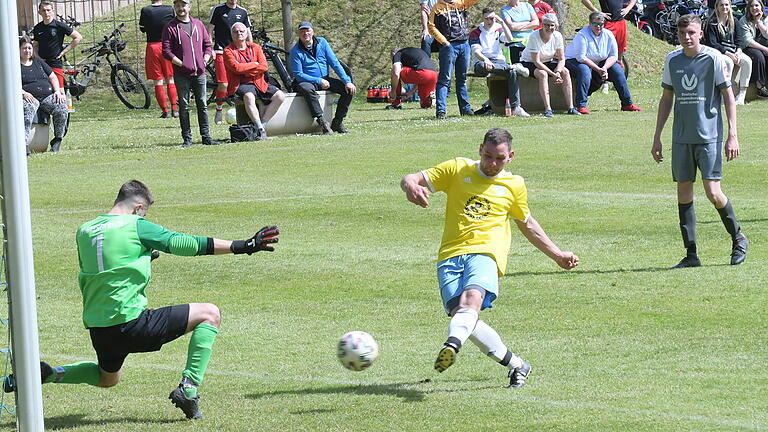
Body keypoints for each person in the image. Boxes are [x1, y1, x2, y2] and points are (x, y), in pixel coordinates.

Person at [32, 180, 279, 420]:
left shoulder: (84, 230)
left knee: (108, 379)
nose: (144, 219)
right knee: (210, 314)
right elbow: (183, 243)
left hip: (100, 328)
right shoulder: (135, 225)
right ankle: (189, 389)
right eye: (144, 213)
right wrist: (242, 245)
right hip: (131, 323)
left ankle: (52, 373)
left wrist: (141, 258)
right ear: (138, 207)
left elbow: (103, 269)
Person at [400, 128, 579, 387]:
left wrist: (557, 254)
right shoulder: (457, 169)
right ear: (479, 149)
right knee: (462, 315)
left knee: (470, 300)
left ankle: (452, 345)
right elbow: (412, 177)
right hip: (450, 254)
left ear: (511, 156)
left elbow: (526, 223)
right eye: (488, 156)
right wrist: (410, 186)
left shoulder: (514, 185)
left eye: (499, 158)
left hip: (487, 252)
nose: (492, 163)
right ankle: (518, 365)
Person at [652, 14, 748, 268]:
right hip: (682, 138)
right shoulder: (672, 60)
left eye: (691, 32)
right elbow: (666, 99)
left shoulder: (714, 58)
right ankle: (691, 254)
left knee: (713, 193)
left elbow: (728, 97)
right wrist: (657, 136)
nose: (687, 37)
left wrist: (732, 135)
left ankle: (738, 238)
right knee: (683, 195)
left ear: (701, 33)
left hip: (709, 137)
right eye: (683, 33)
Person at [162, 0, 220, 147]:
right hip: (181, 73)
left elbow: (207, 45)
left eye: (183, 5)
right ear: (175, 8)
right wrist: (181, 64)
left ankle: (206, 137)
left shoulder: (199, 24)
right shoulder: (170, 27)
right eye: (178, 6)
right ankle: (187, 139)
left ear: (189, 7)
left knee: (203, 104)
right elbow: (166, 51)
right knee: (184, 106)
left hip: (200, 72)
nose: (181, 8)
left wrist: (205, 60)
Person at [564, 12, 643, 114]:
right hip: (574, 60)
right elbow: (581, 57)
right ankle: (581, 106)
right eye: (595, 24)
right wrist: (598, 69)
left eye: (601, 24)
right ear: (590, 23)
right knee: (584, 71)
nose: (598, 27)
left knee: (618, 70)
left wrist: (605, 68)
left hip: (599, 62)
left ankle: (627, 104)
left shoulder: (608, 34)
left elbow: (613, 56)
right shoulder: (582, 35)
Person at [289, 21, 356, 134]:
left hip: (325, 79)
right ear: (298, 34)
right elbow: (298, 75)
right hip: (307, 81)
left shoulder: (322, 43)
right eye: (302, 31)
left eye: (307, 30)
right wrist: (318, 80)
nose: (305, 33)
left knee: (348, 90)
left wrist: (347, 81)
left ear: (313, 32)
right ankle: (321, 121)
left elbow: (334, 63)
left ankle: (337, 122)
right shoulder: (295, 51)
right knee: (306, 88)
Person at [223, 22, 286, 139]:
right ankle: (260, 128)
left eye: (242, 31)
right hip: (241, 84)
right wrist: (254, 64)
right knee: (249, 96)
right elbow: (236, 68)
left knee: (280, 96)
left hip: (259, 81)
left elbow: (264, 67)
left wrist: (245, 68)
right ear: (231, 34)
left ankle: (262, 125)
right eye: (236, 32)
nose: (239, 34)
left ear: (247, 33)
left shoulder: (255, 48)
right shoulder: (228, 51)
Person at [469, 8, 530, 118]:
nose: (489, 21)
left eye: (492, 18)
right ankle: (513, 67)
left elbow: (509, 38)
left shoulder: (499, 29)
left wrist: (502, 23)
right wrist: (486, 60)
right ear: (482, 18)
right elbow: (476, 51)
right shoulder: (476, 32)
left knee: (512, 73)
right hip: (481, 61)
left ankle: (516, 107)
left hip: (498, 61)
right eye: (486, 18)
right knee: (498, 68)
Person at [428, 0, 480, 119]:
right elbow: (431, 26)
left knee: (462, 78)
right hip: (449, 46)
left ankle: (465, 109)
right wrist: (444, 42)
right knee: (445, 79)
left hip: (464, 44)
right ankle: (441, 111)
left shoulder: (462, 3)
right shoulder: (437, 8)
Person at [520, 13, 579, 117]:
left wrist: (558, 72)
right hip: (529, 62)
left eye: (552, 25)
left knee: (565, 71)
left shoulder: (558, 36)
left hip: (547, 61)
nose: (549, 28)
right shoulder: (534, 36)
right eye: (546, 25)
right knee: (543, 74)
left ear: (555, 26)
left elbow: (561, 58)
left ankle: (571, 107)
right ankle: (548, 109)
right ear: (542, 25)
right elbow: (536, 61)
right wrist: (553, 73)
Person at [19, 35, 68, 154]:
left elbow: (53, 77)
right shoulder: (15, 66)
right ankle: (24, 145)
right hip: (30, 98)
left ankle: (57, 140)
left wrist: (57, 91)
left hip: (47, 97)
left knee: (61, 107)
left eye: (29, 48)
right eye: (24, 48)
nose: (27, 51)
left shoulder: (38, 62)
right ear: (19, 50)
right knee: (29, 108)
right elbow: (11, 83)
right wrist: (24, 93)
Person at [207, 0, 251, 124]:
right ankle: (219, 110)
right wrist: (210, 49)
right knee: (224, 84)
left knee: (239, 84)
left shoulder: (242, 11)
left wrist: (251, 48)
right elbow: (209, 29)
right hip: (221, 52)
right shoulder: (218, 9)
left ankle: (242, 112)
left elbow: (247, 32)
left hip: (238, 52)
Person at [704, 0, 753, 105]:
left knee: (747, 61)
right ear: (717, 7)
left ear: (730, 6)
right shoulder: (711, 22)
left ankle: (741, 96)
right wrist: (728, 53)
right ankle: (724, 96)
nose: (724, 7)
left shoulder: (734, 21)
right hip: (718, 52)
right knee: (728, 62)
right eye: (721, 5)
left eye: (726, 5)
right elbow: (712, 43)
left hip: (733, 51)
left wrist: (739, 51)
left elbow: (739, 40)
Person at [139, 0, 179, 118]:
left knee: (158, 80)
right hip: (167, 46)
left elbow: (142, 28)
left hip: (152, 47)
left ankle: (165, 111)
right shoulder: (169, 9)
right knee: (170, 79)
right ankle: (174, 109)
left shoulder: (145, 10)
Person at [32, 0, 83, 89]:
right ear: (39, 12)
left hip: (55, 62)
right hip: (42, 63)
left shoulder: (59, 26)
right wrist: (37, 57)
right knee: (45, 89)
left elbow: (78, 37)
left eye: (48, 10)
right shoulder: (37, 28)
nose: (46, 13)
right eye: (43, 10)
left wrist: (63, 52)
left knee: (60, 90)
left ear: (52, 11)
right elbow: (35, 45)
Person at [581, 0, 635, 65]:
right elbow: (584, 1)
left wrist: (628, 9)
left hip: (621, 23)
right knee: (603, 52)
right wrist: (598, 12)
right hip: (608, 24)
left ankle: (619, 68)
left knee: (620, 50)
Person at [737, 0, 768, 97]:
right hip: (747, 47)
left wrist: (759, 22)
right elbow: (748, 41)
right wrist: (765, 49)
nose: (754, 8)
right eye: (751, 6)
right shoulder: (743, 20)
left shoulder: (766, 19)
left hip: (762, 46)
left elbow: (767, 35)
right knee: (759, 56)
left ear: (761, 7)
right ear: (748, 8)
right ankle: (760, 87)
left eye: (756, 5)